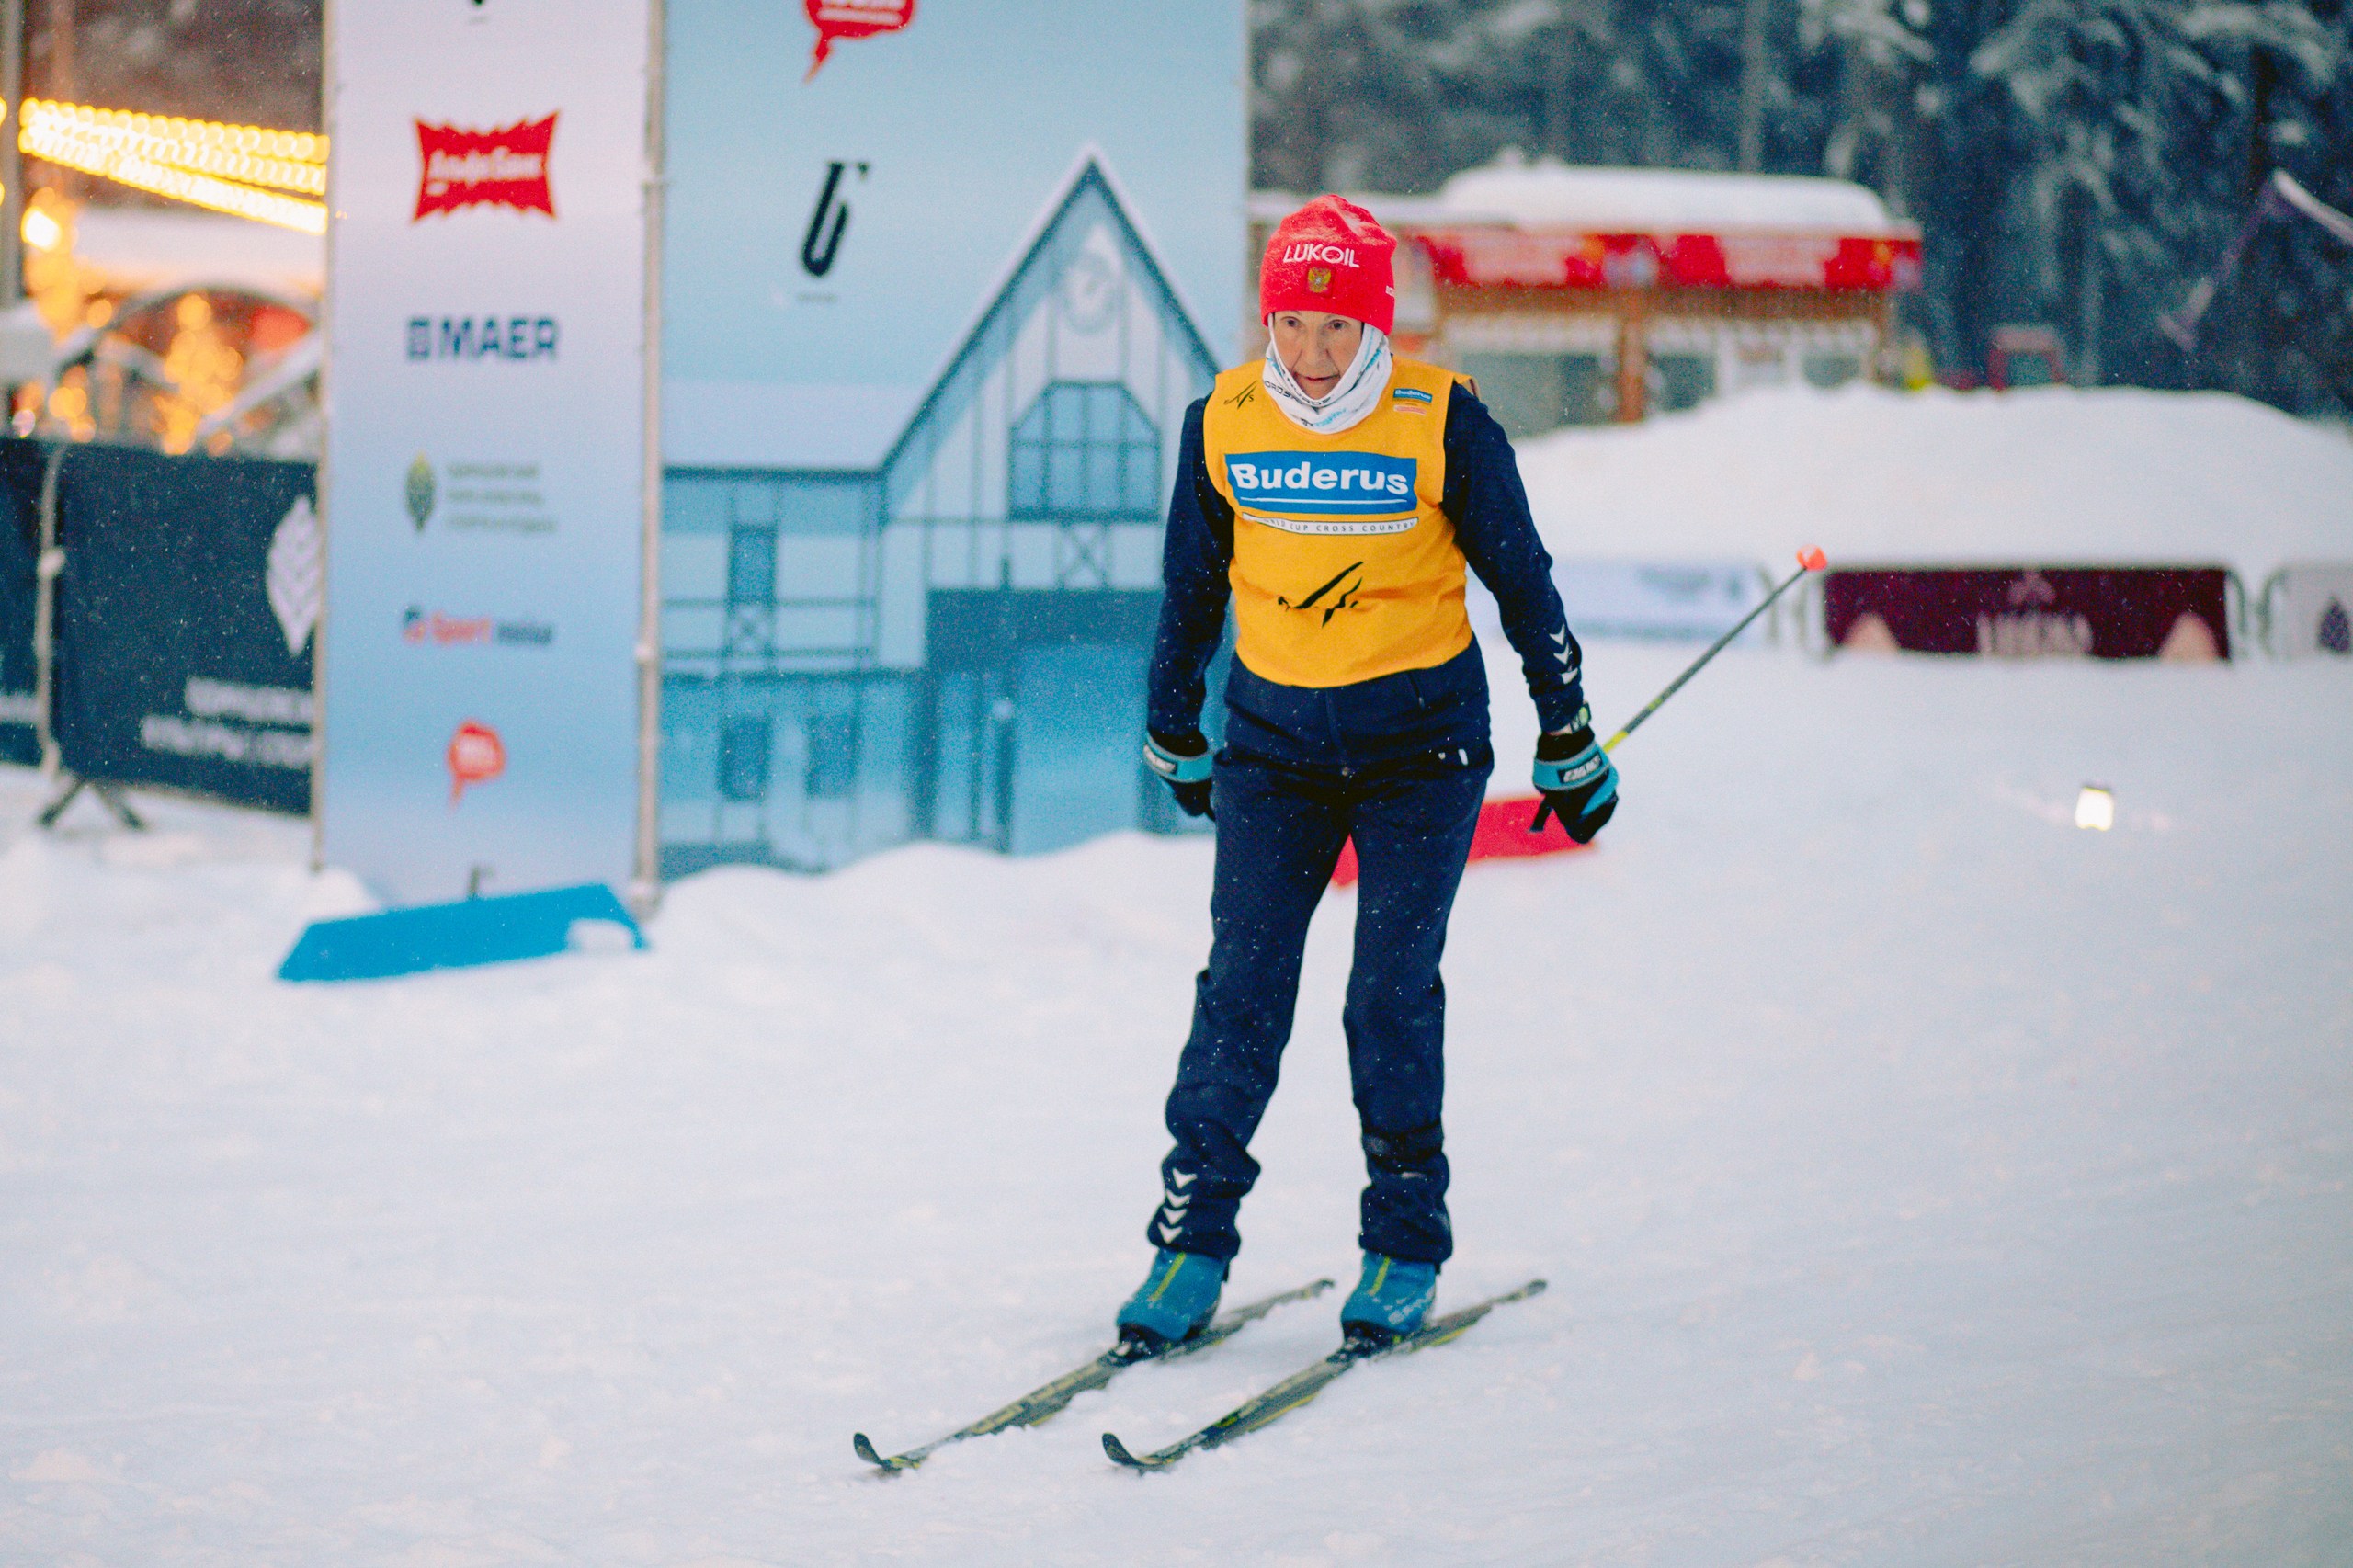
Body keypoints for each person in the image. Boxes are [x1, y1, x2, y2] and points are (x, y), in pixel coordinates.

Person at [1116, 195, 1619, 1354]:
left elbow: (1524, 585)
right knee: (1240, 988)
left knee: (1384, 994)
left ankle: (1402, 1239)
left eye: (1334, 328)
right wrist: (1171, 725)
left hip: (1419, 751)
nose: (1308, 352)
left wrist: (1567, 731)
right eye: (1288, 323)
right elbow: (1191, 590)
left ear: (1375, 326)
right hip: (1273, 751)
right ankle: (1191, 1237)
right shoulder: (1223, 419)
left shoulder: (1441, 419)